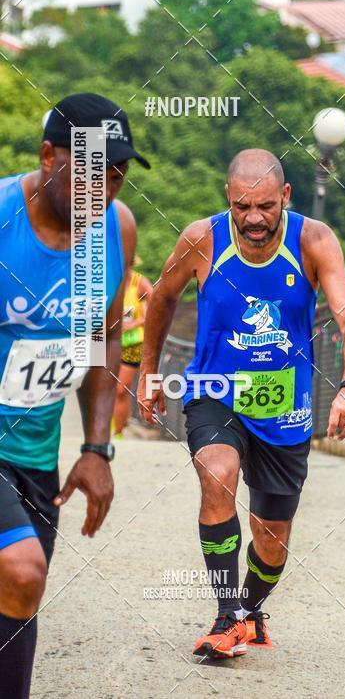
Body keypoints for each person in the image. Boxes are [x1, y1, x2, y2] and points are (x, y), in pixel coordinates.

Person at [138, 149, 345, 659]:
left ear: (285, 196)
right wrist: (150, 370)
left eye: (265, 206)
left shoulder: (313, 241)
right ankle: (226, 616)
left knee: (272, 541)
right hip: (215, 391)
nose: (254, 219)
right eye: (243, 207)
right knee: (216, 472)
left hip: (285, 405)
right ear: (228, 197)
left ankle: (250, 608)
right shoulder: (202, 238)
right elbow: (162, 297)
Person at [0, 93, 147, 698]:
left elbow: (103, 336)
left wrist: (96, 447)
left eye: (116, 173)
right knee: (23, 570)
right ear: (47, 156)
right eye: (89, 170)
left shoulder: (116, 229)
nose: (104, 188)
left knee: (19, 600)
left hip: (36, 454)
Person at [114, 263, 154, 436]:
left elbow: (158, 307)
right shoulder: (103, 280)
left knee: (121, 390)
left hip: (131, 344)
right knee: (102, 389)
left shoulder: (139, 283)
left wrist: (137, 322)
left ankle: (118, 433)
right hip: (105, 343)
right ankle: (100, 430)